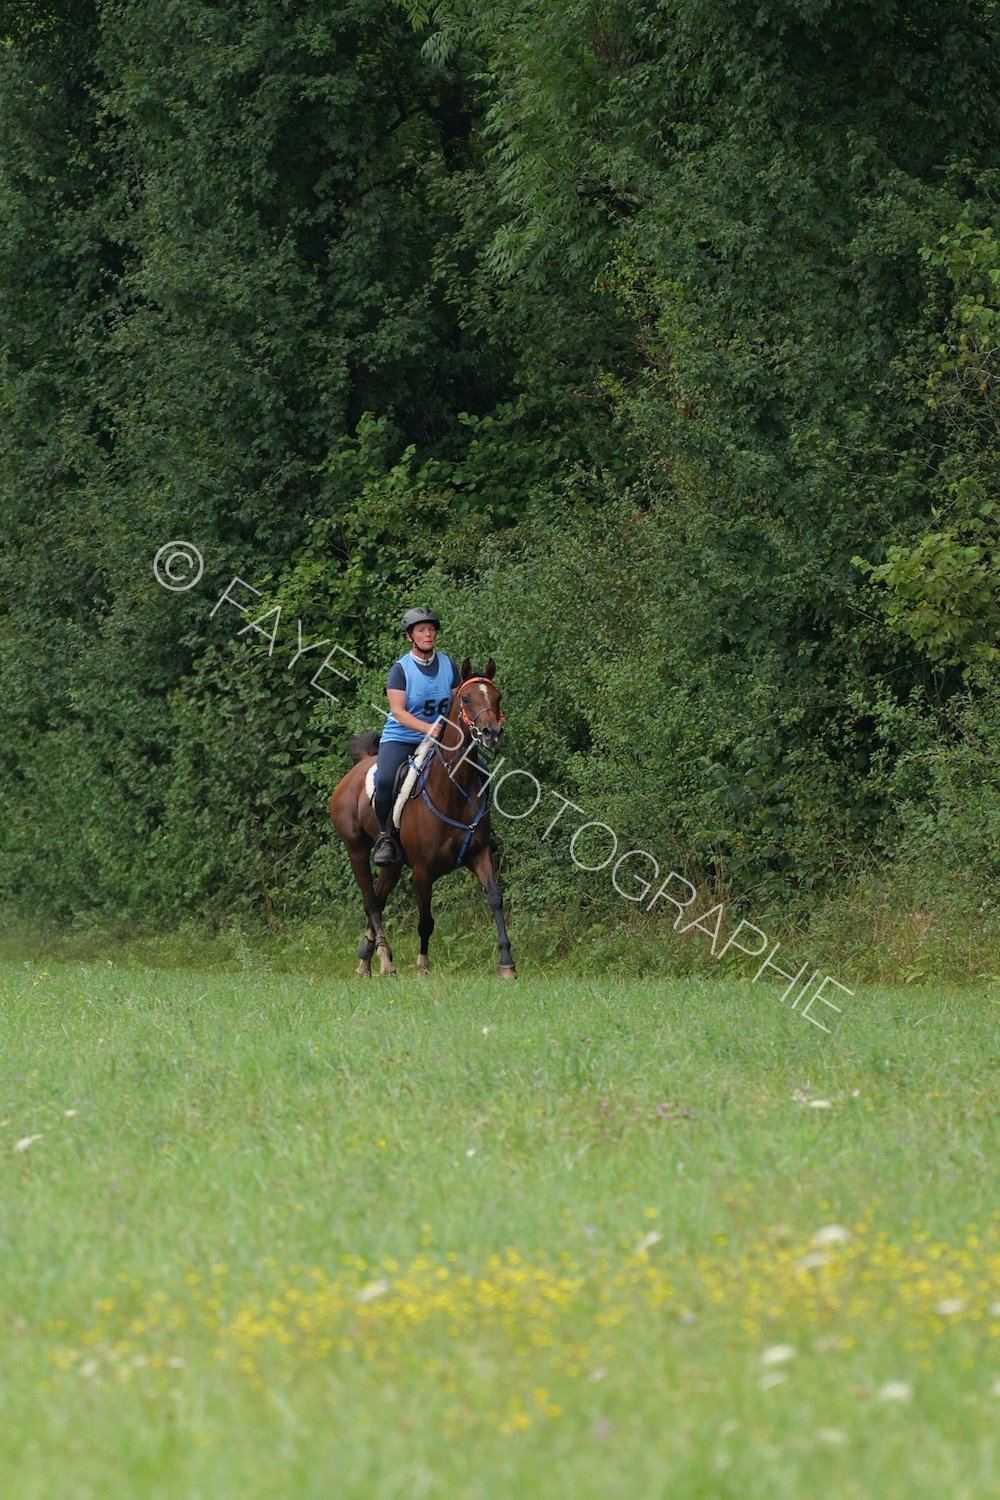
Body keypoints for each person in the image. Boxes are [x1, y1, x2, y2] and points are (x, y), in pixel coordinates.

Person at [372, 607, 460, 865]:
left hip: (441, 739)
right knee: (385, 780)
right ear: (409, 636)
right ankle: (386, 837)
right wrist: (426, 728)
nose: (428, 634)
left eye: (431, 629)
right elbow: (398, 711)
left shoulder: (449, 665)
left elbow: (458, 703)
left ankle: (482, 829)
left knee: (481, 772)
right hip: (402, 737)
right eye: (421, 630)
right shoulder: (400, 669)